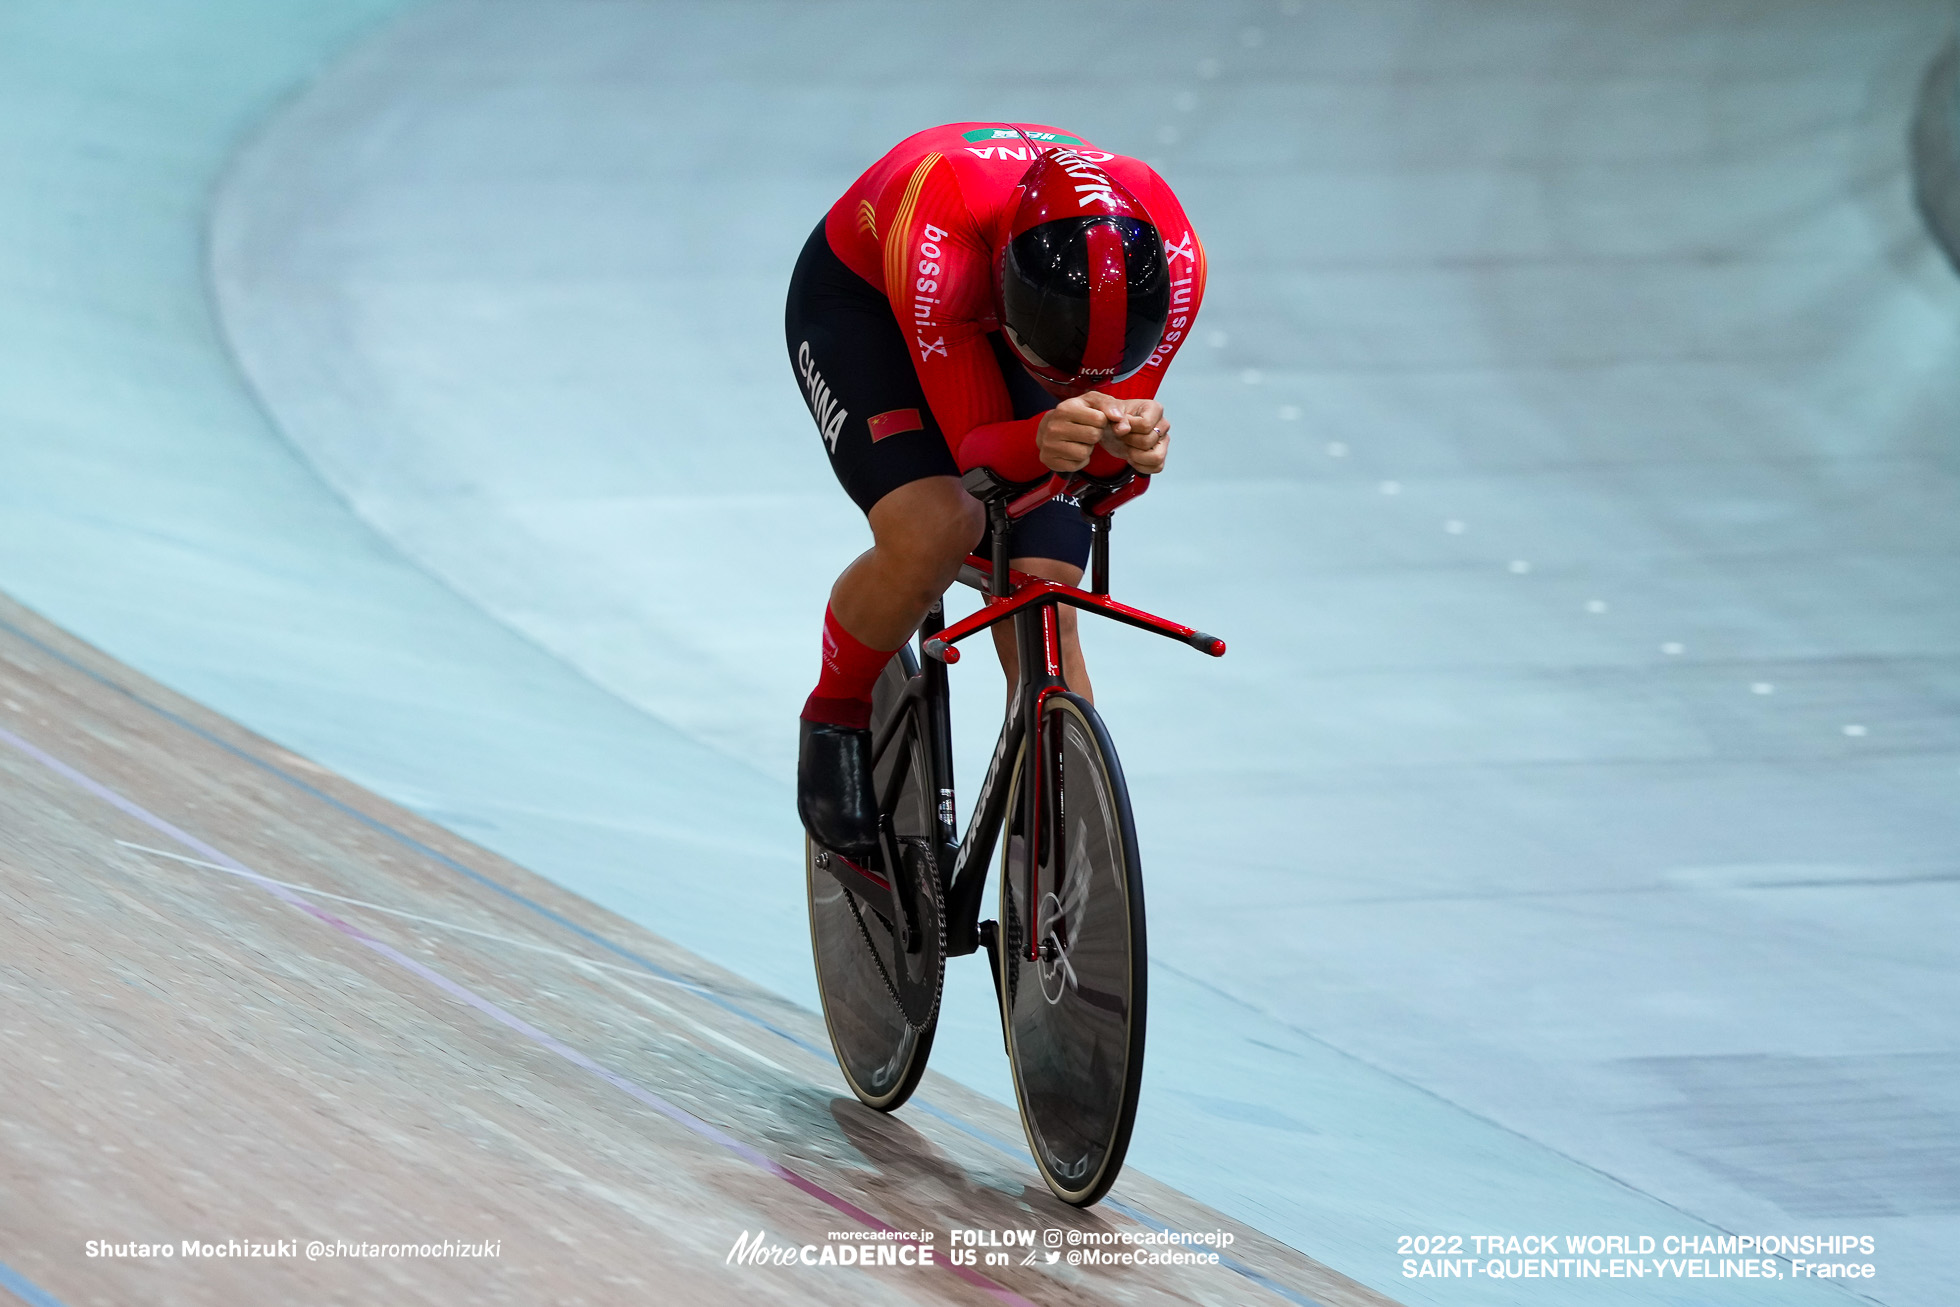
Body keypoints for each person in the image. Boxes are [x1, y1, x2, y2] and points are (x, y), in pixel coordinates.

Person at [785, 122, 1206, 857]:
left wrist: (1127, 447)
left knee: (1046, 588)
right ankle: (835, 708)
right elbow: (979, 453)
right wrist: (1044, 441)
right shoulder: (941, 237)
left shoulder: (1173, 258)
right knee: (937, 526)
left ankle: (1050, 846)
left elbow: (1102, 475)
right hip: (870, 307)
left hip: (1041, 317)